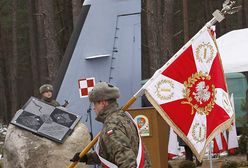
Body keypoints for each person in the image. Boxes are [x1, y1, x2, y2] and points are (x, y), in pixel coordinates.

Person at [70, 82, 151, 167]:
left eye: (95, 103)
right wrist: (87, 158)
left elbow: (125, 159)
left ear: (103, 103)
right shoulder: (123, 117)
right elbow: (111, 152)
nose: (94, 108)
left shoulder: (112, 126)